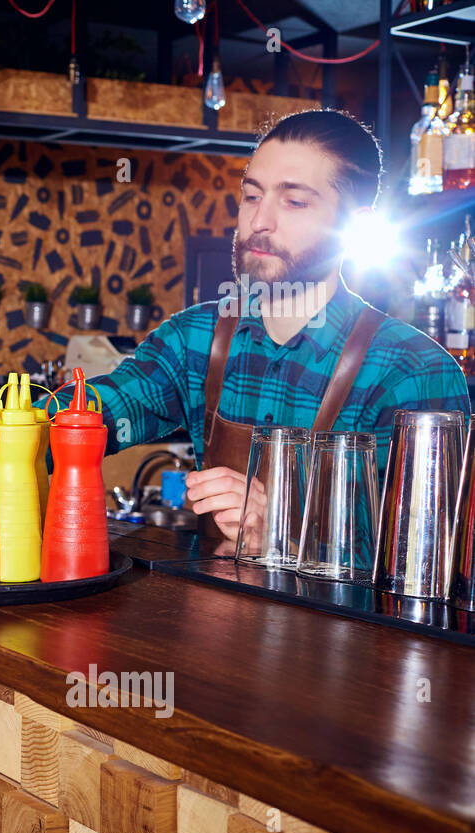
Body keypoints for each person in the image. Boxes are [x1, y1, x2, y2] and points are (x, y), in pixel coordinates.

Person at [40, 108, 470, 546]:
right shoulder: (197, 338)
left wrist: (281, 530)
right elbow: (93, 414)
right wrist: (4, 433)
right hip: (210, 614)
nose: (259, 221)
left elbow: (432, 564)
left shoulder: (412, 372)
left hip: (337, 618)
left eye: (294, 201)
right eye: (252, 196)